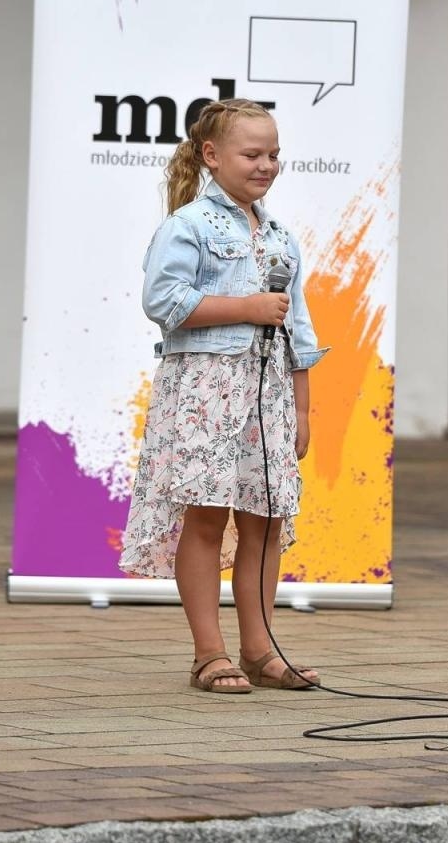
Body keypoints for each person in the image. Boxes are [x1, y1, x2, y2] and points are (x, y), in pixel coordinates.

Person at [118, 99, 328, 693]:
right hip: (208, 394)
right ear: (212, 155)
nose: (267, 165)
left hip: (268, 397)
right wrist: (247, 308)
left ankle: (261, 651)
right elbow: (164, 302)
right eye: (253, 154)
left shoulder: (281, 236)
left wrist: (303, 409)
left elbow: (299, 331)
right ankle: (208, 654)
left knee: (264, 519)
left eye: (274, 155)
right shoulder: (186, 226)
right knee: (206, 519)